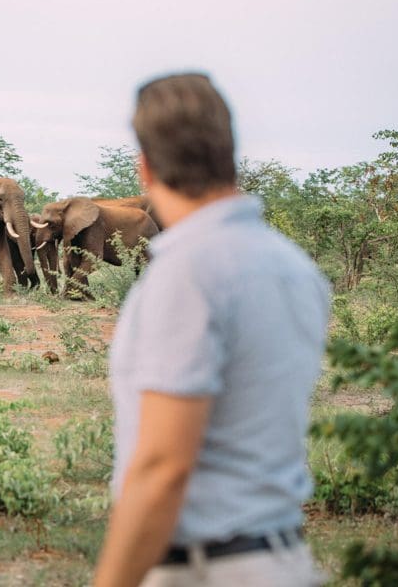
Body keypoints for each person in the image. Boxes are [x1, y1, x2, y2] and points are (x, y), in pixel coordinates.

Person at [94, 74, 330, 586]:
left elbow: (163, 467)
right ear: (230, 153)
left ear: (146, 166)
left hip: (207, 567)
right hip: (283, 557)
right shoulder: (294, 265)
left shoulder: (187, 272)